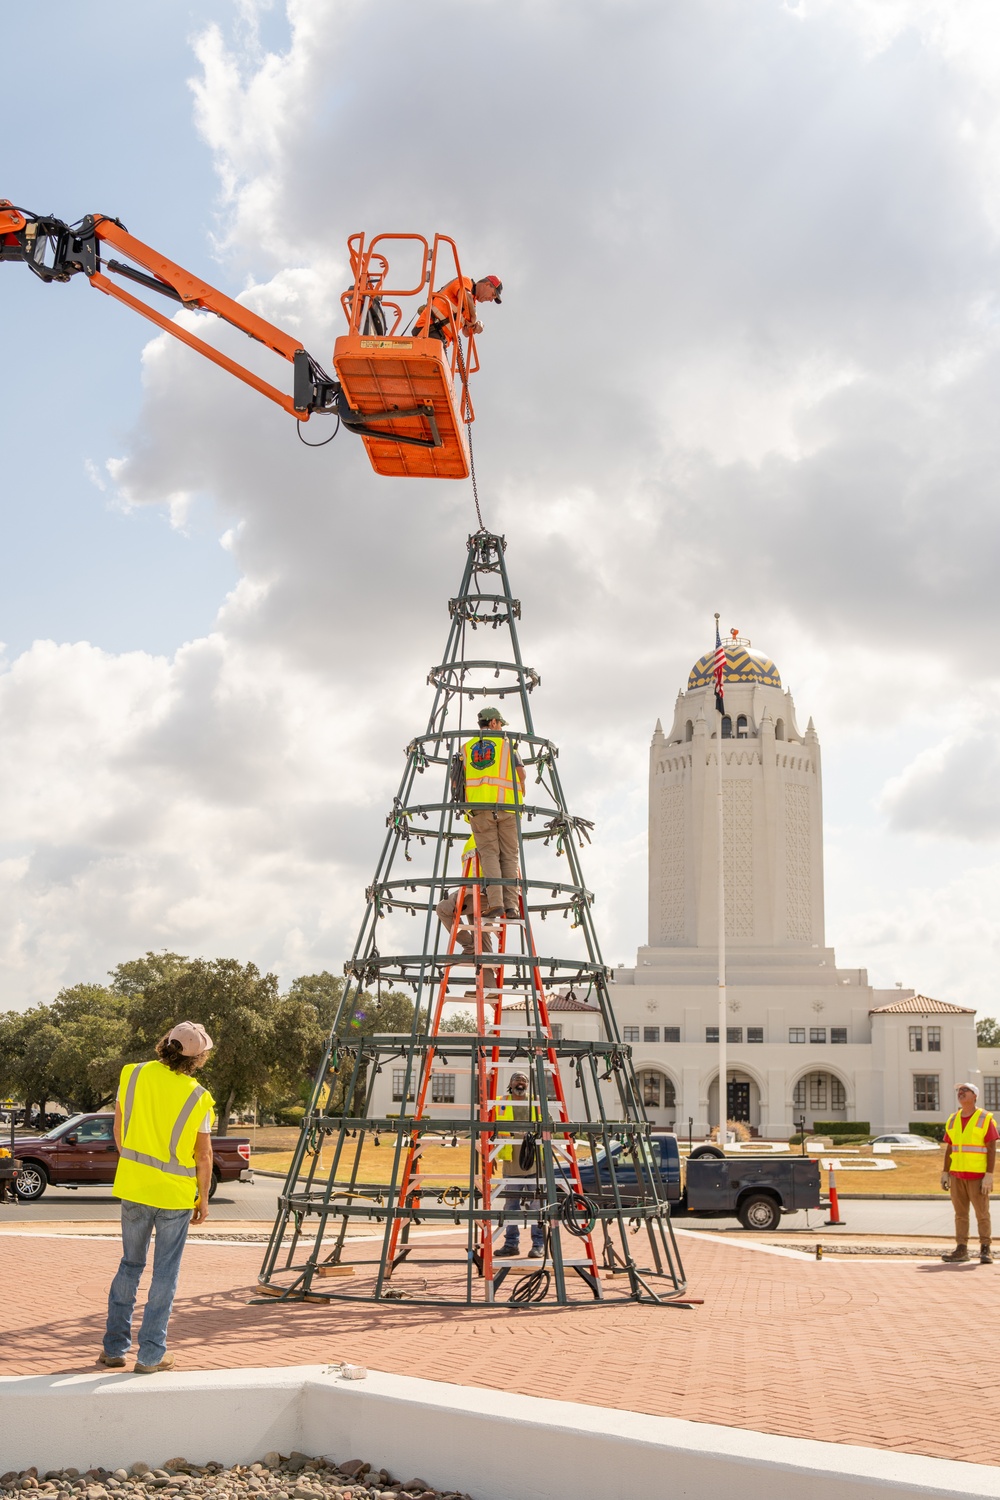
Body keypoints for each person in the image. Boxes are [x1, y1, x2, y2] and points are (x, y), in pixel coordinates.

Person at [99, 1022, 215, 1373]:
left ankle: (114, 1349)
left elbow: (119, 1127)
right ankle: (150, 1355)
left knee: (129, 1266)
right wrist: (203, 1198)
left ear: (166, 1042)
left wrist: (135, 1165)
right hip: (175, 1197)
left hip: (134, 1187)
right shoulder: (198, 1096)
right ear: (197, 1059)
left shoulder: (132, 1075)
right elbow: (204, 1155)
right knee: (165, 1273)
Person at [463, 705, 526, 921]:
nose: (501, 728)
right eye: (500, 724)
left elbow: (458, 781)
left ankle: (496, 903)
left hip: (479, 810)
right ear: (493, 723)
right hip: (508, 807)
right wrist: (520, 796)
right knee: (510, 856)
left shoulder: (466, 748)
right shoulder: (508, 746)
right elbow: (521, 774)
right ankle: (512, 907)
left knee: (489, 854)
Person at [941, 1082, 996, 1264]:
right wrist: (945, 1172)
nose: (961, 1093)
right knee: (960, 1214)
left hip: (978, 1176)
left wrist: (989, 1174)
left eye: (966, 1090)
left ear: (975, 1096)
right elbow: (950, 1148)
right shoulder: (952, 1119)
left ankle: (985, 1249)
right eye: (959, 1090)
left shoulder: (985, 1118)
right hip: (957, 1176)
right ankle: (961, 1249)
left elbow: (991, 1147)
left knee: (982, 1214)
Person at [435, 834, 498, 992]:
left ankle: (469, 946)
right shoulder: (493, 834)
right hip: (488, 892)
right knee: (483, 937)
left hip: (479, 889)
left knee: (443, 908)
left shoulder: (482, 835)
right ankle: (489, 987)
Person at [494, 1071, 544, 1259]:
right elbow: (491, 1127)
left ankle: (538, 1245)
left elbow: (547, 1123)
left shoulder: (536, 1102)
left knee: (537, 1206)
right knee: (511, 1205)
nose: (520, 1083)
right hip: (511, 1162)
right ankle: (511, 1244)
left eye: (523, 1080)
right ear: (510, 1083)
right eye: (517, 1080)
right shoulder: (501, 1101)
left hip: (534, 1164)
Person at [414, 274, 502, 345]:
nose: (491, 300)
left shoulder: (472, 304)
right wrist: (474, 317)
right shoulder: (465, 281)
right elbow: (464, 297)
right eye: (493, 294)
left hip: (439, 339)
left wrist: (477, 326)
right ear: (487, 285)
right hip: (427, 330)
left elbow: (466, 332)